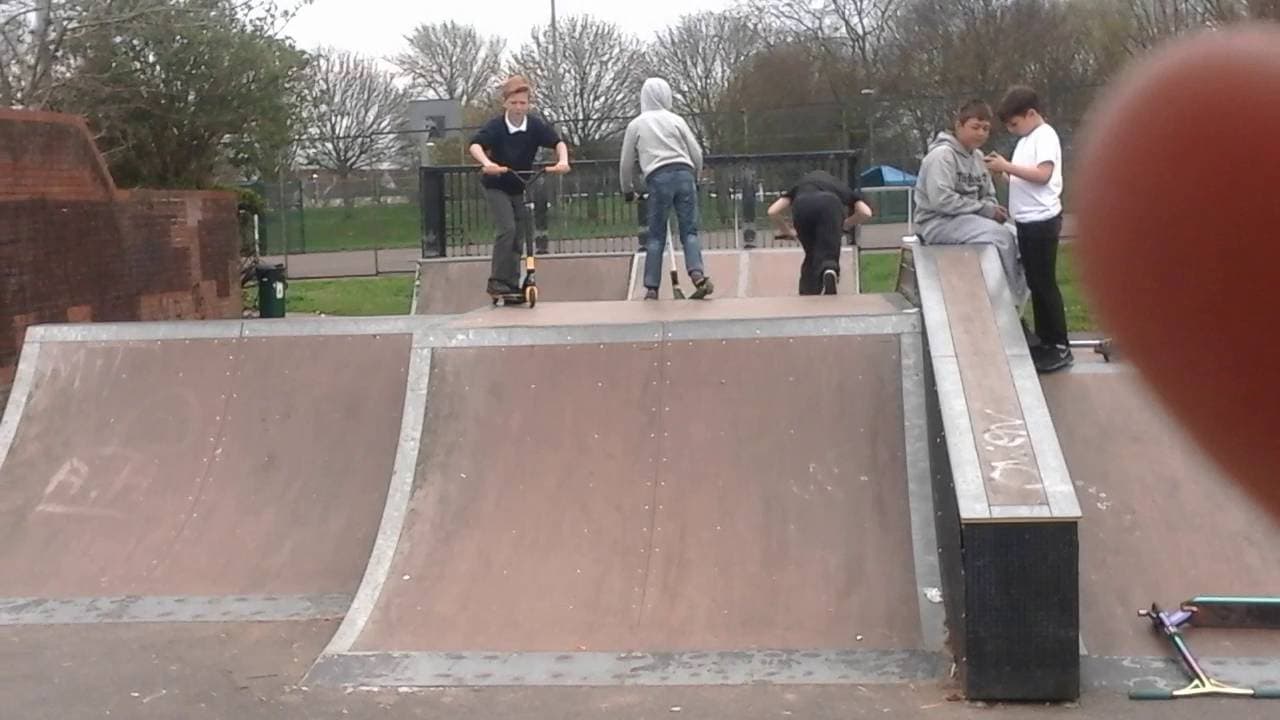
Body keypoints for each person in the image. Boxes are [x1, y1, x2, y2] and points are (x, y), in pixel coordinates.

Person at [985, 86, 1071, 373]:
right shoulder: (1026, 140)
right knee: (1036, 283)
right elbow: (1024, 178)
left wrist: (1007, 165)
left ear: (1031, 114)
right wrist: (1005, 171)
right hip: (1026, 221)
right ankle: (1046, 342)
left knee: (1045, 284)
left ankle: (1060, 345)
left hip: (1042, 222)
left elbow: (1043, 175)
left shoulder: (1044, 136)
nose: (1012, 130)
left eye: (1014, 123)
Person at [913, 99, 1029, 307]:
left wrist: (991, 208)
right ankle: (1008, 304)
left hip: (970, 220)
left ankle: (1016, 306)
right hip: (938, 222)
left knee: (1022, 238)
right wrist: (984, 210)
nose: (981, 134)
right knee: (1001, 237)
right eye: (975, 127)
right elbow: (942, 201)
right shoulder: (941, 156)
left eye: (985, 129)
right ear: (959, 125)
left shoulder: (978, 157)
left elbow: (988, 194)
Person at [468, 75, 570, 301]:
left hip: (520, 184)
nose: (518, 108)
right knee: (508, 229)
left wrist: (562, 161)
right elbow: (475, 145)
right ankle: (497, 281)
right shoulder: (496, 126)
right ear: (505, 103)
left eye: (522, 103)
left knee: (521, 233)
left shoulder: (534, 125)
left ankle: (512, 284)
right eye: (513, 103)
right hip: (496, 184)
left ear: (528, 104)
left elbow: (557, 142)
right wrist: (488, 164)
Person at [619, 77, 714, 300]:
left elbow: (625, 163)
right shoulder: (676, 120)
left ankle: (652, 287)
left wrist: (627, 190)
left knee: (656, 236)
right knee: (689, 231)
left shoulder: (636, 124)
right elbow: (697, 153)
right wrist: (696, 178)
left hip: (658, 178)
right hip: (684, 174)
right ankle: (697, 273)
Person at [766, 170, 873, 295]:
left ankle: (808, 291)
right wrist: (844, 225)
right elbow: (866, 213)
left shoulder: (800, 185)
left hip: (802, 206)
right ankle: (829, 270)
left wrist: (787, 231)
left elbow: (772, 211)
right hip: (830, 205)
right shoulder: (839, 186)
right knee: (829, 250)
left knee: (811, 253)